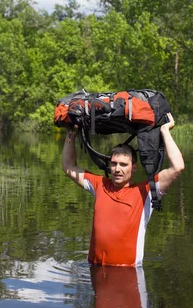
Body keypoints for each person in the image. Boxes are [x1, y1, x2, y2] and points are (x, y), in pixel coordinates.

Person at [62, 113, 184, 266]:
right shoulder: (100, 185)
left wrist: (165, 131)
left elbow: (178, 167)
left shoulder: (146, 191)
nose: (117, 169)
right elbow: (68, 167)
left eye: (123, 165)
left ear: (134, 168)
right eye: (114, 164)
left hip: (128, 276)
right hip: (96, 271)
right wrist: (72, 132)